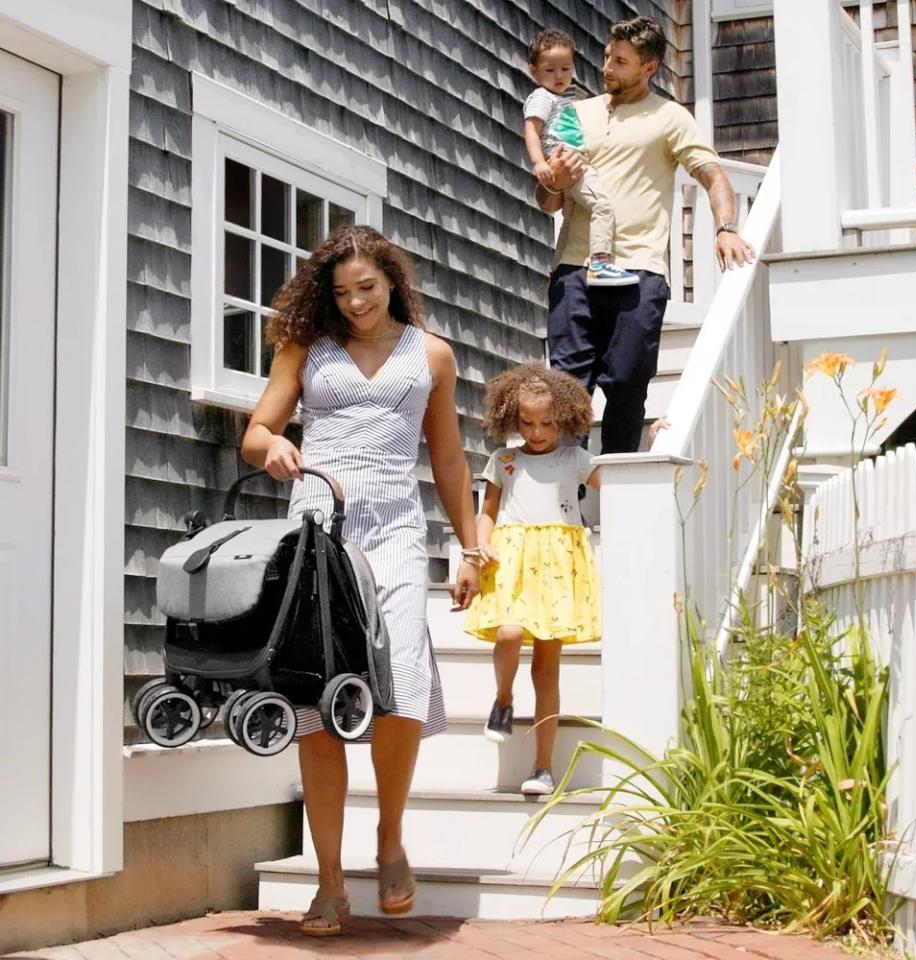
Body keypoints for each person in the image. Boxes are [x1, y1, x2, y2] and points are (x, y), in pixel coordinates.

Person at [240, 226, 481, 936]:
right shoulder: (306, 348)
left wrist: (471, 548)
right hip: (317, 528)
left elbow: (450, 463)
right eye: (342, 293)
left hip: (397, 530)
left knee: (400, 679)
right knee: (317, 705)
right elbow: (256, 432)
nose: (355, 304)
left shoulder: (431, 354)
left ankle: (390, 838)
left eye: (367, 289)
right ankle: (330, 883)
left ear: (392, 280)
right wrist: (276, 445)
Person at [537, 16, 756, 455]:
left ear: (649, 67)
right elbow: (549, 202)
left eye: (620, 61)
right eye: (605, 57)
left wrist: (726, 228)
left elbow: (712, 176)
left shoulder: (670, 118)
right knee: (565, 391)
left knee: (626, 387)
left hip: (638, 273)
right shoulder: (577, 112)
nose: (607, 68)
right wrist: (554, 182)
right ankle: (564, 502)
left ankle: (617, 492)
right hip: (575, 269)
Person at [464, 363, 600, 796]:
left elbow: (619, 486)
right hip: (512, 560)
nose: (537, 431)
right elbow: (486, 513)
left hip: (559, 566)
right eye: (527, 422)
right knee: (508, 634)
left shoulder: (575, 459)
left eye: (546, 423)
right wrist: (478, 545)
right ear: (511, 418)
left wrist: (653, 444)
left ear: (563, 418)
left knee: (546, 671)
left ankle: (542, 767)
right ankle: (503, 698)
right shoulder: (503, 461)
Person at [523, 29, 638, 288]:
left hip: (576, 163)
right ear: (534, 71)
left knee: (570, 220)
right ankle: (599, 262)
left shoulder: (566, 99)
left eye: (565, 68)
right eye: (550, 70)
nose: (559, 76)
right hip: (565, 161)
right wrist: (540, 162)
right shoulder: (542, 97)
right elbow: (531, 129)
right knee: (602, 207)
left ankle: (557, 269)